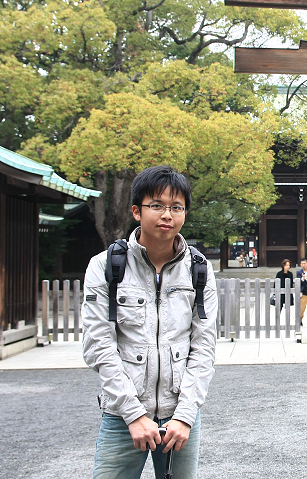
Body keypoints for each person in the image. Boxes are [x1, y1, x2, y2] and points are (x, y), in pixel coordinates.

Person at [82, 166, 218, 478]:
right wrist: (133, 414)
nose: (167, 215)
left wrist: (185, 416)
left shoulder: (199, 269)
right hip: (122, 415)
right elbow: (99, 347)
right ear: (136, 211)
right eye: (156, 205)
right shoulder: (105, 267)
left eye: (176, 207)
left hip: (179, 417)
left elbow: (204, 347)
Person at [296, 258, 307, 325]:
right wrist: (303, 278)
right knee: (301, 309)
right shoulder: (299, 272)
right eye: (302, 264)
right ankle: (300, 320)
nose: (303, 265)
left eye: (304, 263)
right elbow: (298, 281)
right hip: (304, 292)